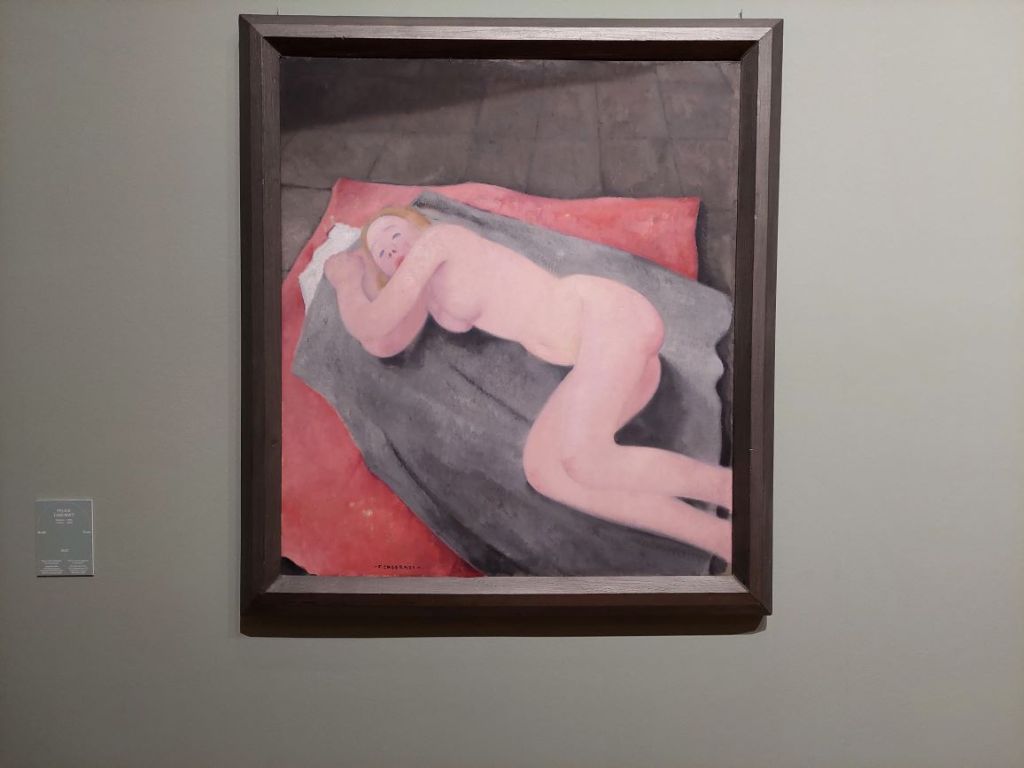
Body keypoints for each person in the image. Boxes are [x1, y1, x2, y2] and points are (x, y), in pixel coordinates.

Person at [324, 206, 733, 563]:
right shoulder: (429, 294)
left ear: (418, 225)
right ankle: (717, 536)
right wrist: (362, 279)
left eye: (394, 234)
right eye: (382, 253)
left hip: (605, 317)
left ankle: (730, 490)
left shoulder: (440, 240)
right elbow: (381, 340)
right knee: (546, 472)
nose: (392, 249)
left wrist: (346, 282)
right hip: (601, 352)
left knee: (585, 459)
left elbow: (372, 320)